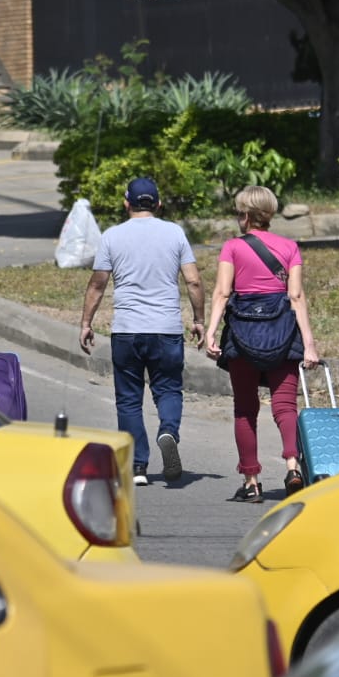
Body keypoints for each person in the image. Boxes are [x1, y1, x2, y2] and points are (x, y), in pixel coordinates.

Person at [79, 177, 205, 486]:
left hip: (127, 330)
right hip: (166, 329)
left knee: (128, 400)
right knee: (169, 389)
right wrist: (199, 319)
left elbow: (98, 283)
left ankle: (137, 466)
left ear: (126, 203)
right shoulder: (175, 233)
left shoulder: (112, 236)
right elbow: (193, 281)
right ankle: (168, 431)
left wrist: (86, 322)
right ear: (158, 204)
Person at [205, 186, 319, 504]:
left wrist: (211, 333)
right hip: (282, 333)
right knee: (285, 407)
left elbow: (222, 293)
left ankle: (252, 481)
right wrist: (308, 345)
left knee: (245, 410)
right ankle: (293, 467)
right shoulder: (289, 247)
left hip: (242, 334)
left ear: (245, 215)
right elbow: (296, 297)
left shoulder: (232, 247)